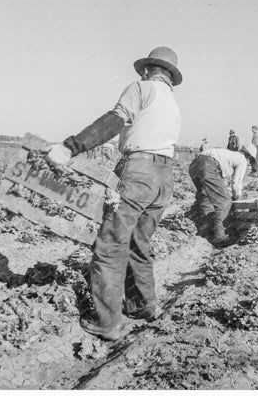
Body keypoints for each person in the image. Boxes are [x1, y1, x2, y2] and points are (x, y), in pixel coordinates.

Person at [45, 46, 182, 341]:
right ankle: (144, 305)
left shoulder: (141, 88)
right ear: (170, 75)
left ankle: (107, 322)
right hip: (164, 177)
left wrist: (71, 146)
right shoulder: (171, 102)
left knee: (110, 246)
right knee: (138, 243)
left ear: (147, 70)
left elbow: (115, 120)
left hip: (139, 171)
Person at [188, 144, 257, 246]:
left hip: (194, 165)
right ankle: (219, 237)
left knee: (206, 198)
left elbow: (218, 183)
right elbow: (236, 183)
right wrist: (236, 196)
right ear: (249, 157)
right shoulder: (242, 160)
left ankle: (206, 231)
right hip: (208, 165)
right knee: (225, 201)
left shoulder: (229, 154)